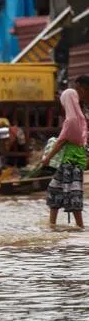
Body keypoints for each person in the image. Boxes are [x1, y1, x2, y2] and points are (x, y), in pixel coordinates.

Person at [47, 77, 89, 228]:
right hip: (72, 160)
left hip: (72, 162)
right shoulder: (80, 117)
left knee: (72, 194)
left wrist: (46, 159)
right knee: (56, 189)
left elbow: (61, 141)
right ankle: (52, 224)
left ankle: (80, 226)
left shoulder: (71, 120)